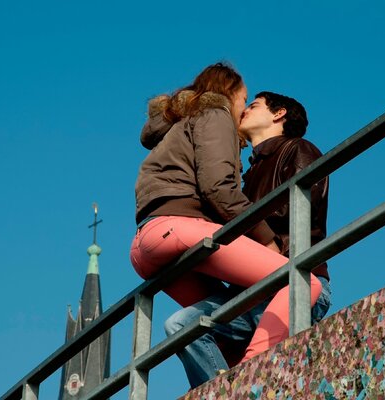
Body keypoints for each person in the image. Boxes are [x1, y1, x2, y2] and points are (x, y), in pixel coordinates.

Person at [130, 63, 323, 365]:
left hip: (146, 243)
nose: (243, 109)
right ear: (228, 92)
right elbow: (219, 189)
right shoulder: (215, 114)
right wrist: (266, 240)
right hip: (179, 230)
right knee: (303, 280)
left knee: (199, 326)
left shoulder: (183, 127)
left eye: (251, 103)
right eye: (244, 99)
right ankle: (254, 374)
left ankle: (229, 382)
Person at [164, 91, 331, 388]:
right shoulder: (247, 172)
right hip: (251, 292)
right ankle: (223, 391)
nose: (244, 111)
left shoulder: (298, 149)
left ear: (279, 114)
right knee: (180, 325)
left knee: (254, 364)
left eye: (254, 106)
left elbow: (302, 205)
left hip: (297, 279)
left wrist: (237, 213)